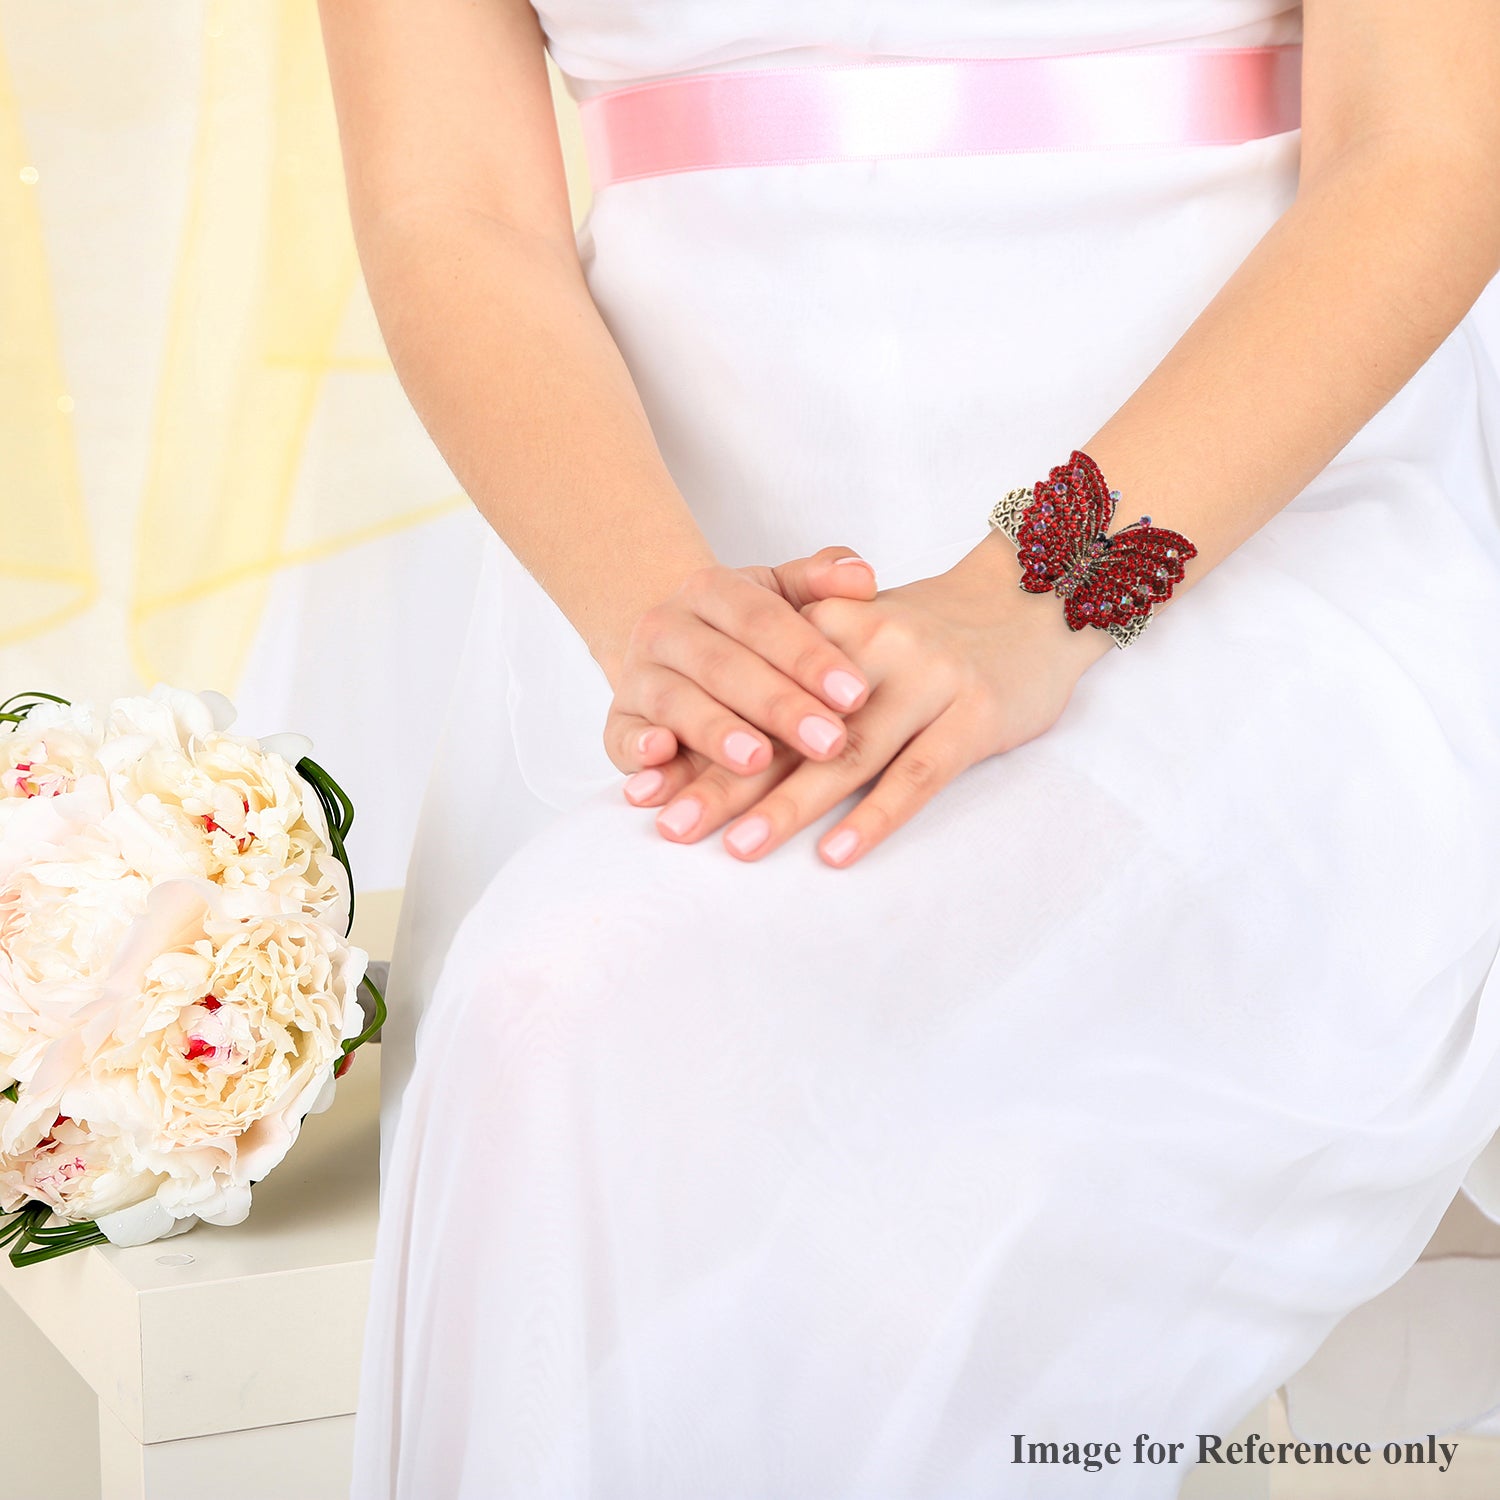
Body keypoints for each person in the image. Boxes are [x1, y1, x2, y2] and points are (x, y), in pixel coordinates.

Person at [316, 0, 1500, 1493]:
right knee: (552, 1012)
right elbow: (451, 206)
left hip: (1238, 554)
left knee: (609, 1022)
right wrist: (665, 622)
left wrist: (1043, 594)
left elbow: (1429, 152)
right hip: (676, 574)